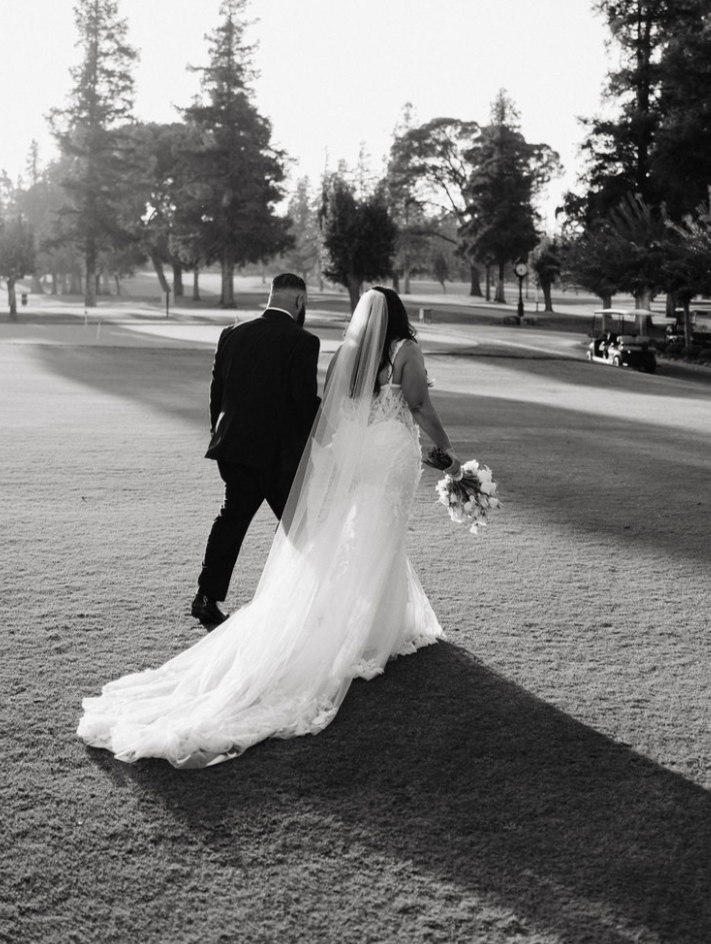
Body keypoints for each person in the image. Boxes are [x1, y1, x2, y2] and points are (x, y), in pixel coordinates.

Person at [77, 287, 461, 769]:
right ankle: (368, 632)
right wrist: (448, 450)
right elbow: (417, 405)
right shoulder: (399, 350)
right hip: (383, 451)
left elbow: (324, 409)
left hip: (341, 450)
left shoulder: (339, 348)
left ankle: (347, 619)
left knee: (343, 534)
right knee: (378, 535)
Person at [191, 272, 320, 628]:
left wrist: (219, 434)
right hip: (278, 458)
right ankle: (319, 600)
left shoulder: (232, 333)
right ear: (299, 301)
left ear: (271, 296)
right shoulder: (304, 341)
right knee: (302, 529)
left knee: (230, 520)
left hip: (234, 450)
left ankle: (205, 597)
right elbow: (302, 403)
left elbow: (218, 393)